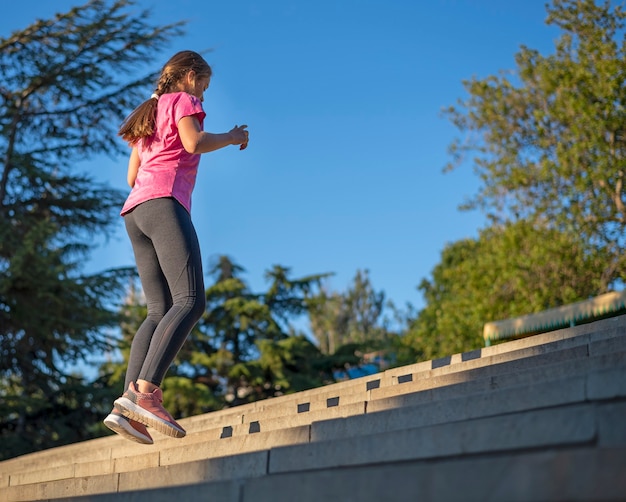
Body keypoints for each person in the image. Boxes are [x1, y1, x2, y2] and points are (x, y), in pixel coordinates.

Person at [103, 50, 249, 444]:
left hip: (136, 212)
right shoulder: (183, 101)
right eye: (203, 85)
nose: (204, 95)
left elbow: (132, 174)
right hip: (165, 203)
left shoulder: (149, 111)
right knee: (191, 300)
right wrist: (234, 136)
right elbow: (194, 141)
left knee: (157, 310)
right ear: (189, 76)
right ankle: (145, 393)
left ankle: (124, 406)